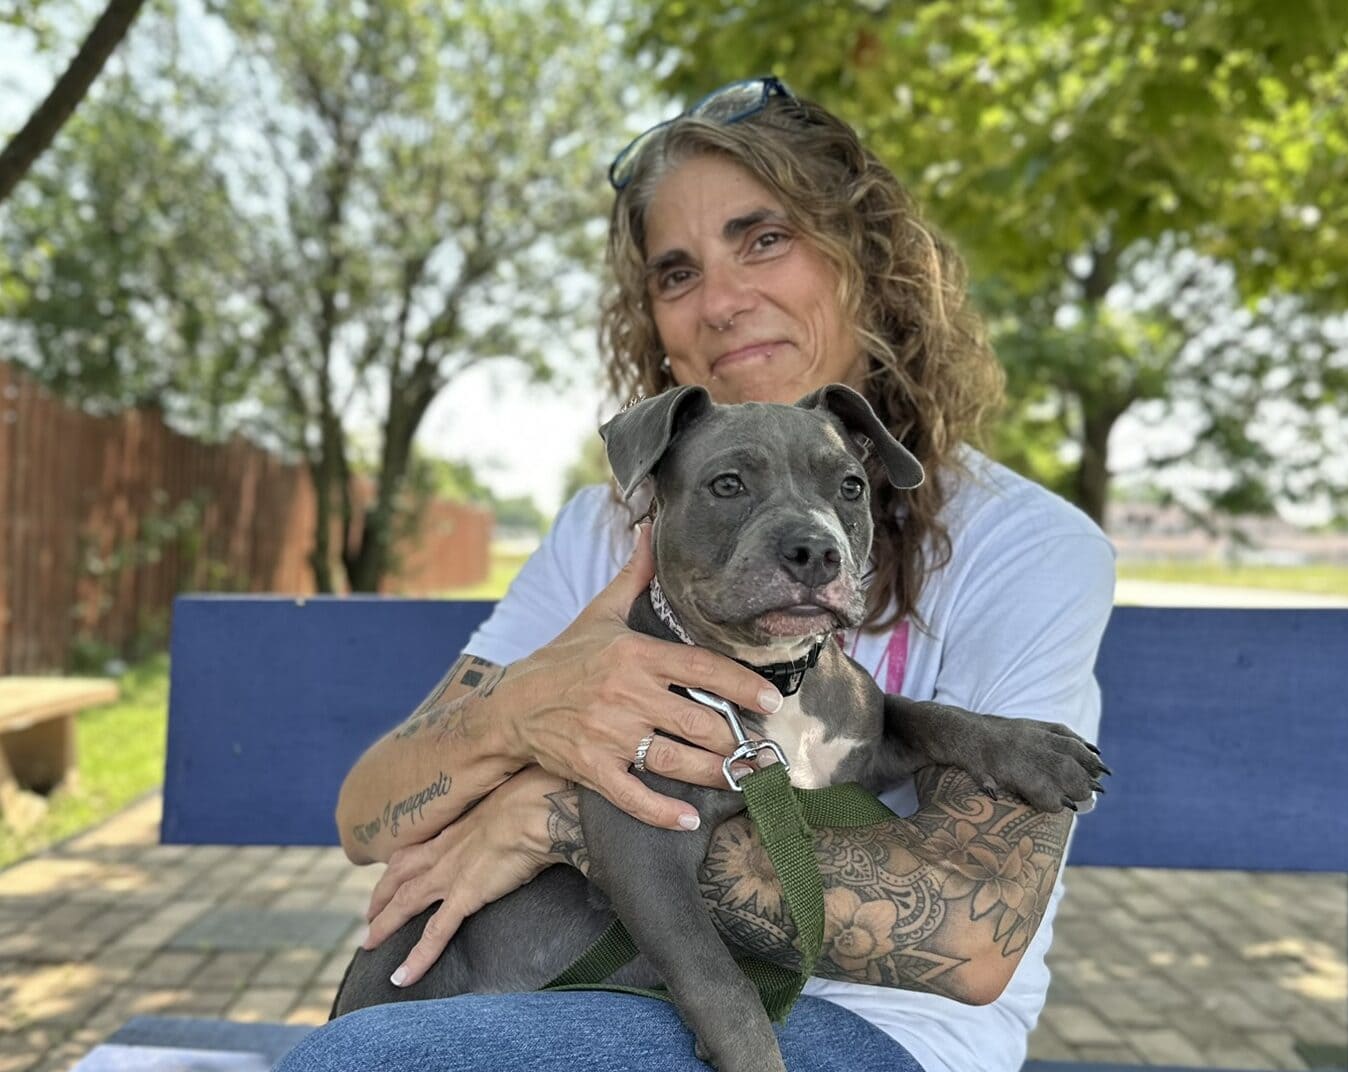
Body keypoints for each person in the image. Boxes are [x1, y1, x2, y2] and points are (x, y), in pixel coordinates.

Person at [277, 77, 1115, 1072]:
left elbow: (973, 941)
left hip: (869, 1025)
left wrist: (562, 814)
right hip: (566, 985)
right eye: (676, 273)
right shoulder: (609, 529)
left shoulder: (1023, 545)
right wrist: (518, 712)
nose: (719, 301)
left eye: (764, 239)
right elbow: (367, 811)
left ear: (866, 264)